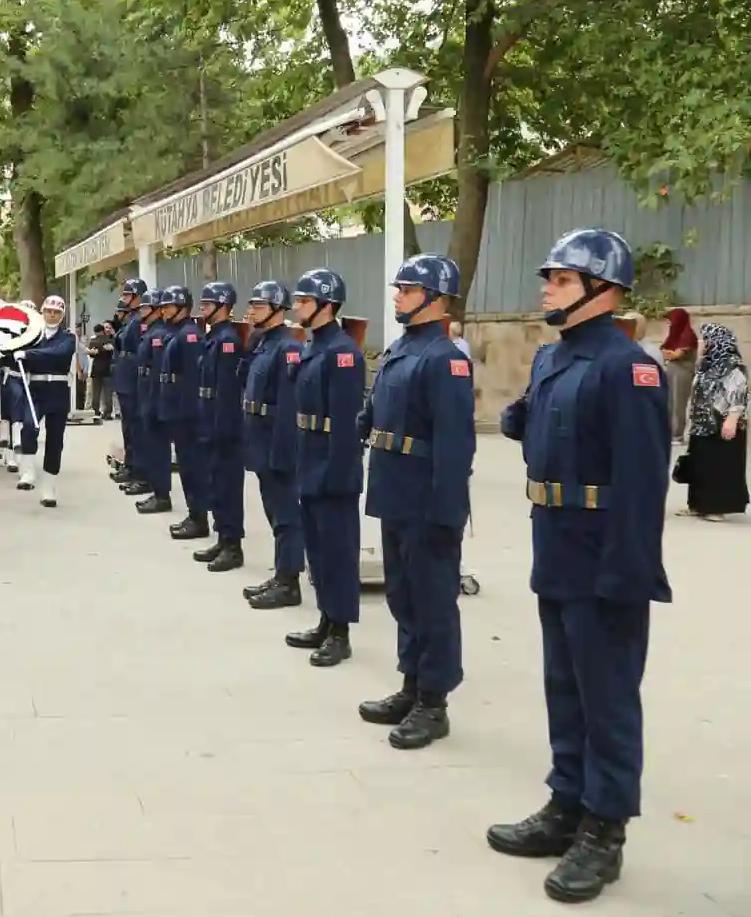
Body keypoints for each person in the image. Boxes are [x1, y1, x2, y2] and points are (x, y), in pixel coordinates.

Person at [493, 228, 671, 904]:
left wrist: (628, 576)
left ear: (605, 290)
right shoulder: (552, 359)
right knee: (564, 688)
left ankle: (606, 829)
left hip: (605, 560)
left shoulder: (629, 368)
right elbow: (527, 421)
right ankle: (566, 802)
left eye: (561, 279)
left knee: (609, 701)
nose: (547, 287)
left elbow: (642, 482)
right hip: (556, 548)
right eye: (551, 278)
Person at [356, 254, 475, 749]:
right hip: (395, 489)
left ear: (437, 298)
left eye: (407, 288)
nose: (397, 295)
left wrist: (449, 513)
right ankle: (411, 684)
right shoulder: (402, 347)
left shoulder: (446, 358)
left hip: (426, 498)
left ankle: (434, 702)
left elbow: (455, 444)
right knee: (404, 596)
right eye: (399, 287)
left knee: (432, 602)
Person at [285, 268, 364, 667]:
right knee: (318, 549)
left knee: (338, 552)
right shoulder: (313, 345)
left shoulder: (343, 352)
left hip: (333, 464)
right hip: (310, 456)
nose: (296, 306)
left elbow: (348, 423)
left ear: (326, 305)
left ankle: (341, 631)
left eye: (303, 300)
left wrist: (337, 474)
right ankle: (325, 618)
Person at [239, 281, 306, 609]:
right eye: (251, 305)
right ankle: (282, 572)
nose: (251, 311)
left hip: (276, 441)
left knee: (286, 514)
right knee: (273, 509)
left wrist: (283, 452)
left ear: (279, 311)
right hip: (260, 437)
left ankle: (289, 581)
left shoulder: (287, 347)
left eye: (260, 306)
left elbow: (289, 404)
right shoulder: (263, 344)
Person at [192, 282, 246, 572]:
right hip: (209, 418)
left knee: (227, 487)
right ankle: (223, 538)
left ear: (222, 306)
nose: (202, 308)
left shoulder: (228, 341)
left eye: (207, 303)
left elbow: (226, 390)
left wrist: (221, 430)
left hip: (222, 424)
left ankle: (233, 545)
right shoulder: (214, 337)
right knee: (216, 484)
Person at [10, 295, 77, 507]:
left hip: (57, 390)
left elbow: (59, 354)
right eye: (48, 311)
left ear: (62, 315)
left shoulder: (68, 338)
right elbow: (11, 351)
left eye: (56, 312)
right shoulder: (32, 335)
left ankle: (49, 486)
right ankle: (28, 471)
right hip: (35, 389)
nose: (52, 315)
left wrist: (28, 355)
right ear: (42, 312)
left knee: (55, 440)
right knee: (28, 426)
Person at [679, 322, 748, 520]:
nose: (700, 343)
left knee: (718, 465)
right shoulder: (705, 364)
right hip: (702, 422)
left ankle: (716, 507)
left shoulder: (732, 365)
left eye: (704, 340)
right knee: (699, 464)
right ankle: (697, 505)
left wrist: (732, 419)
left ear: (715, 342)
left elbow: (739, 392)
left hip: (721, 421)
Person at [155, 286, 206, 536]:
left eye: (168, 306)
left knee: (192, 467)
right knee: (186, 466)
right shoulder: (178, 333)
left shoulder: (189, 336)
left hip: (186, 413)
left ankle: (199, 517)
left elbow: (192, 379)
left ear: (182, 308)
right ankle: (193, 514)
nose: (163, 310)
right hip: (177, 410)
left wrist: (186, 414)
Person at [131, 290, 174, 511]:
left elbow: (159, 370)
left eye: (146, 308)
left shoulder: (160, 334)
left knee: (158, 448)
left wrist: (155, 401)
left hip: (154, 396)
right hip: (146, 393)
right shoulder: (150, 332)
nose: (142, 312)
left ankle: (162, 494)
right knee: (150, 445)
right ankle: (157, 490)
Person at [110, 286, 146, 480]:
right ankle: (131, 465)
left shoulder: (140, 319)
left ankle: (137, 469)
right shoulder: (131, 319)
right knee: (128, 426)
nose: (123, 298)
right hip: (124, 376)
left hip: (132, 377)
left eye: (127, 294)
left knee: (135, 427)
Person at [660, 307, 698, 441]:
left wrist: (671, 354)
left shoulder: (688, 336)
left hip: (682, 373)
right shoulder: (673, 336)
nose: (669, 324)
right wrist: (670, 354)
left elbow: (676, 354)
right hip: (671, 372)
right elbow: (664, 351)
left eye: (671, 320)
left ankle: (677, 434)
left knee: (678, 404)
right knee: (668, 402)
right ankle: (668, 432)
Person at [87, 322, 116, 419]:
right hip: (107, 369)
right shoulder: (109, 340)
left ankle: (95, 411)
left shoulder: (93, 341)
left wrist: (98, 350)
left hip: (96, 369)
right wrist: (104, 349)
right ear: (103, 331)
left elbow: (91, 354)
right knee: (108, 393)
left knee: (96, 392)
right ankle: (108, 413)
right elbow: (112, 350)